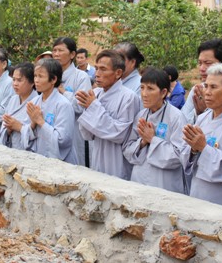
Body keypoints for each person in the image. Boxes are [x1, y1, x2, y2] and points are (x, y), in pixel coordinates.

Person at [181, 64, 222, 208]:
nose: (207, 92)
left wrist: (203, 147)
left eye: (213, 87)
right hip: (197, 194)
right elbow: (185, 156)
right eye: (206, 86)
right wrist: (193, 150)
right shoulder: (202, 118)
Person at [76, 50, 141, 180]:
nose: (97, 74)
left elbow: (119, 134)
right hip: (98, 154)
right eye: (96, 68)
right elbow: (87, 134)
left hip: (117, 159)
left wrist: (93, 107)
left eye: (103, 69)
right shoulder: (96, 93)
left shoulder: (128, 97)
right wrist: (88, 108)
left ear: (118, 73)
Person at [123, 68, 188, 193]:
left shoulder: (176, 117)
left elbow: (180, 156)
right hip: (139, 180)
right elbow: (127, 149)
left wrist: (152, 139)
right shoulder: (140, 115)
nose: (144, 94)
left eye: (150, 89)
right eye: (142, 88)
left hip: (164, 184)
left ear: (163, 93)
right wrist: (142, 142)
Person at [25, 58, 77, 163]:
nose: (36, 80)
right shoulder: (34, 102)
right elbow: (26, 134)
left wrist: (41, 122)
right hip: (39, 158)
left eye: (40, 76)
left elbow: (63, 140)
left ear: (53, 79)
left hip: (61, 163)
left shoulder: (63, 104)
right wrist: (33, 124)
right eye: (35, 76)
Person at [52, 37, 92, 166]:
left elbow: (81, 106)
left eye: (60, 50)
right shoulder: (50, 77)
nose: (56, 54)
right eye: (54, 50)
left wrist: (64, 92)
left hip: (75, 131)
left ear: (72, 54)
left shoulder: (81, 77)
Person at [0, 62, 38, 149]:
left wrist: (19, 127)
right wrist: (8, 129)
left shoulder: (37, 102)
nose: (15, 84)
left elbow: (38, 133)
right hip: (12, 148)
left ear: (32, 82)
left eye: (19, 80)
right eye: (14, 80)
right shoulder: (13, 100)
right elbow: (4, 126)